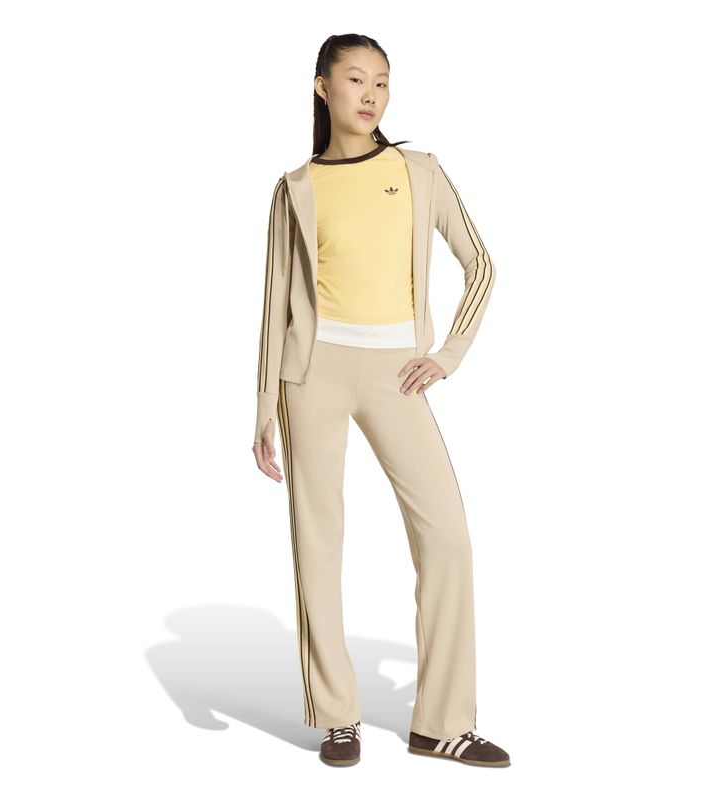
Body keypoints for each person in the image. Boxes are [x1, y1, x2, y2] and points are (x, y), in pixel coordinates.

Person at [252, 33, 508, 769]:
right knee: (318, 542)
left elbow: (481, 264)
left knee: (447, 538)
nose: (371, 95)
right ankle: (337, 716)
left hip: (399, 372)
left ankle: (442, 723)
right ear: (322, 87)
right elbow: (275, 300)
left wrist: (447, 355)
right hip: (313, 373)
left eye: (383, 83)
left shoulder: (418, 171)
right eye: (356, 79)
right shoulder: (295, 187)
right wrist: (264, 404)